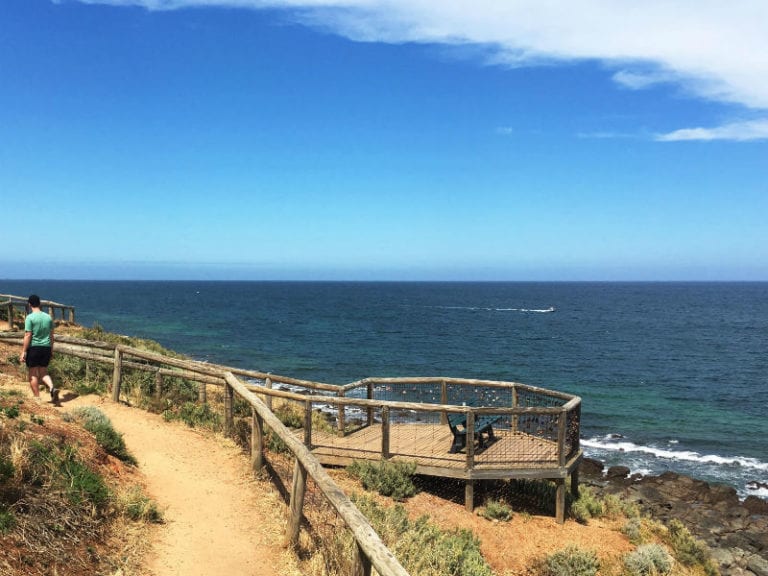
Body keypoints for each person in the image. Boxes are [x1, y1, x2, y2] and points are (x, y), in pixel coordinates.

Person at [20, 294, 59, 403]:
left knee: (32, 373)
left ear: (29, 304)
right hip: (46, 348)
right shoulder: (48, 317)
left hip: (34, 348)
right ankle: (52, 387)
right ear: (40, 303)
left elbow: (28, 335)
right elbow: (51, 336)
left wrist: (23, 351)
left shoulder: (30, 317)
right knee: (43, 371)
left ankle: (37, 398)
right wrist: (51, 350)